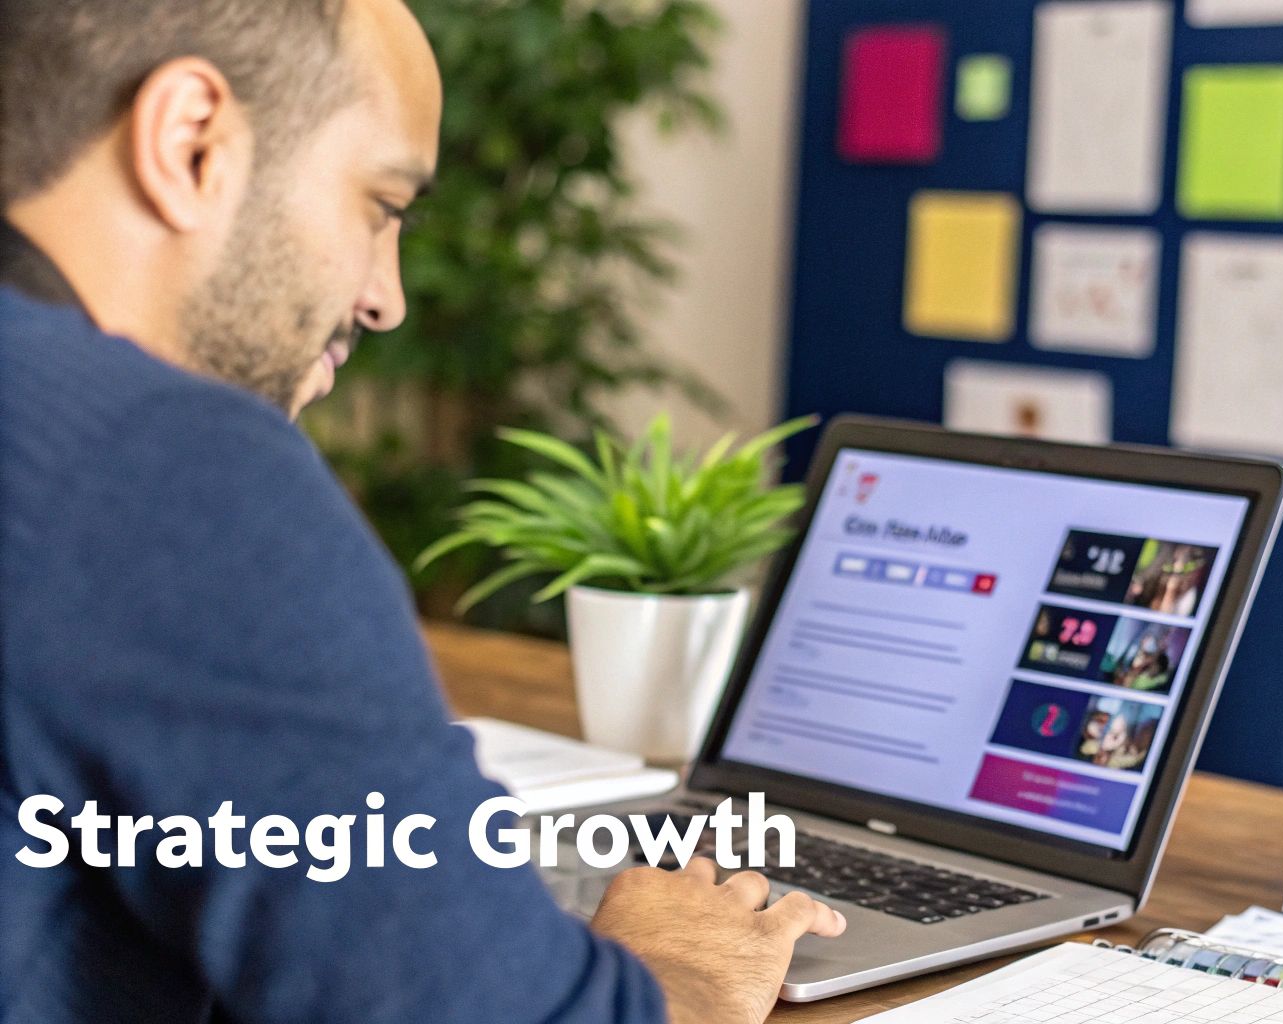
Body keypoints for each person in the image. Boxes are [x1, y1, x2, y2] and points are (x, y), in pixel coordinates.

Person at [0, 1, 843, 1021]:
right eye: (378, 204)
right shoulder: (159, 461)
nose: (386, 297)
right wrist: (687, 969)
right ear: (191, 141)